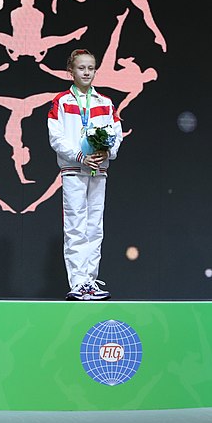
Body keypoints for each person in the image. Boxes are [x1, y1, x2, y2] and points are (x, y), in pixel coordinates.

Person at [47, 49, 123, 300]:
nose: (87, 72)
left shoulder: (105, 102)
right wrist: (80, 156)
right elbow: (56, 138)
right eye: (81, 68)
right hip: (74, 171)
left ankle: (91, 281)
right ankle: (78, 282)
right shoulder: (62, 101)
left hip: (98, 170)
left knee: (94, 228)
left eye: (91, 68)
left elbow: (117, 134)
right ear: (71, 71)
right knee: (76, 226)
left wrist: (107, 151)